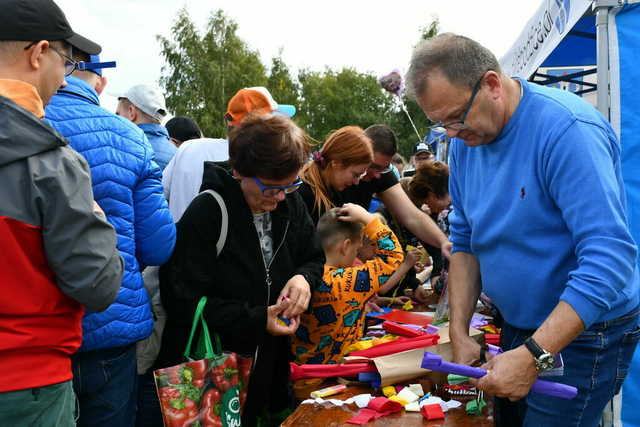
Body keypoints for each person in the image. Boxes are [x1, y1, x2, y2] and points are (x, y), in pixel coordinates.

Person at [406, 33, 640, 426]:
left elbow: (609, 258)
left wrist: (535, 355)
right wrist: (459, 332)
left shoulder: (568, 131)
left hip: (585, 334)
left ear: (492, 84)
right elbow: (465, 241)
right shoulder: (467, 141)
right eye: (439, 123)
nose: (450, 134)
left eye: (455, 118)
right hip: (520, 324)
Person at [0, 0, 124, 425]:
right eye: (66, 61)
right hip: (27, 385)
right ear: (37, 53)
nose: (64, 76)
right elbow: (96, 284)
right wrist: (100, 221)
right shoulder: (52, 163)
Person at [157, 113, 324, 426]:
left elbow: (313, 257)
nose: (279, 197)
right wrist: (258, 318)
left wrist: (304, 279)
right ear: (238, 172)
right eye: (270, 188)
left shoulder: (291, 203)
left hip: (273, 367)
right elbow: (181, 300)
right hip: (217, 371)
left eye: (290, 186)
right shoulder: (208, 211)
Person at [45, 52, 176, 426]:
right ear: (100, 83)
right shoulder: (130, 137)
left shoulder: (19, 124)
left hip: (35, 334)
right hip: (110, 327)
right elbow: (159, 245)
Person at [301, 123, 451, 257]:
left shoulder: (379, 175)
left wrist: (444, 243)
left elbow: (413, 217)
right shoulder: (307, 191)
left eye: (385, 168)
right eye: (370, 167)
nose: (376, 175)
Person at [293, 203, 404, 364]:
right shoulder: (348, 280)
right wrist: (368, 218)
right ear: (345, 247)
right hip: (337, 377)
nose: (355, 257)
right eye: (356, 250)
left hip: (300, 374)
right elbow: (393, 255)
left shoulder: (299, 275)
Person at [162, 86, 294, 222]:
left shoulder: (188, 147)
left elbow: (159, 193)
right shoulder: (251, 162)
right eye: (275, 124)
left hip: (176, 239)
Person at [300, 126, 374, 224]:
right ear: (336, 163)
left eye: (361, 176)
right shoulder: (304, 195)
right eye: (356, 175)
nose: (356, 182)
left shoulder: (335, 189)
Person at [116, 84, 176, 171]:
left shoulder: (123, 152)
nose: (115, 120)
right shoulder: (177, 154)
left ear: (131, 112)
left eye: (118, 115)